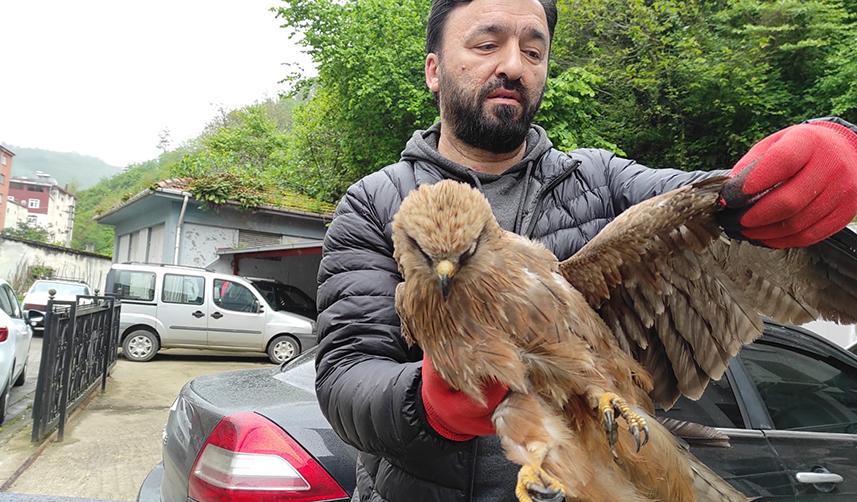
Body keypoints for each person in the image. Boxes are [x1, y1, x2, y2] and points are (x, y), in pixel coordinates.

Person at [314, 1, 857, 501]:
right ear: (433, 69)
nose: (513, 66)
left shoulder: (603, 181)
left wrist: (834, 144)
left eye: (533, 51)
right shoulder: (374, 205)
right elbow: (344, 375)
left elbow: (736, 204)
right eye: (486, 44)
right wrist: (427, 403)